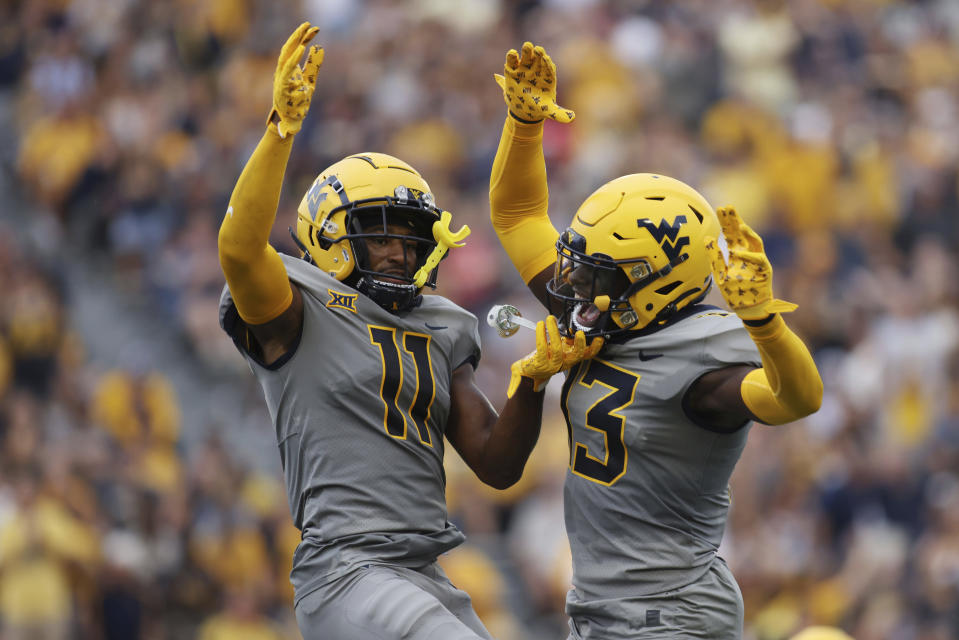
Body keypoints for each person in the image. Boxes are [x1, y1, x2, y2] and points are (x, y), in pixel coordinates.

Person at [215, 23, 601, 640]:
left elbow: (497, 467)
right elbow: (238, 249)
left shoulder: (442, 324)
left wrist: (529, 384)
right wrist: (280, 130)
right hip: (347, 569)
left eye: (410, 236)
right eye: (380, 232)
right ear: (328, 236)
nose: (398, 251)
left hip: (424, 569)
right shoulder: (299, 307)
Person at [489, 42, 824, 639]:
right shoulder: (601, 313)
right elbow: (517, 214)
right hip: (602, 607)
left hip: (670, 614)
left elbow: (796, 400)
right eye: (580, 264)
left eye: (598, 274)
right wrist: (524, 124)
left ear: (658, 284)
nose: (575, 283)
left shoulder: (704, 360)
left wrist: (766, 323)